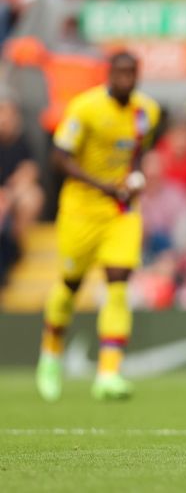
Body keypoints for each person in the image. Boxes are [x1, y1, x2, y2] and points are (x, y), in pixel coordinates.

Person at [35, 52, 160, 402]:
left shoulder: (145, 111)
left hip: (121, 211)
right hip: (81, 210)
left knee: (118, 285)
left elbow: (137, 151)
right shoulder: (84, 108)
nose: (125, 79)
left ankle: (108, 373)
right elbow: (59, 157)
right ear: (108, 75)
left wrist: (135, 177)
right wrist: (102, 184)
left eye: (131, 73)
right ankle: (50, 354)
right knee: (70, 284)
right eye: (119, 73)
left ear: (137, 75)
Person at [0, 97, 44, 286]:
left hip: (11, 199)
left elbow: (29, 171)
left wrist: (9, 194)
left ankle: (14, 246)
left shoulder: (22, 141)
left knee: (31, 197)